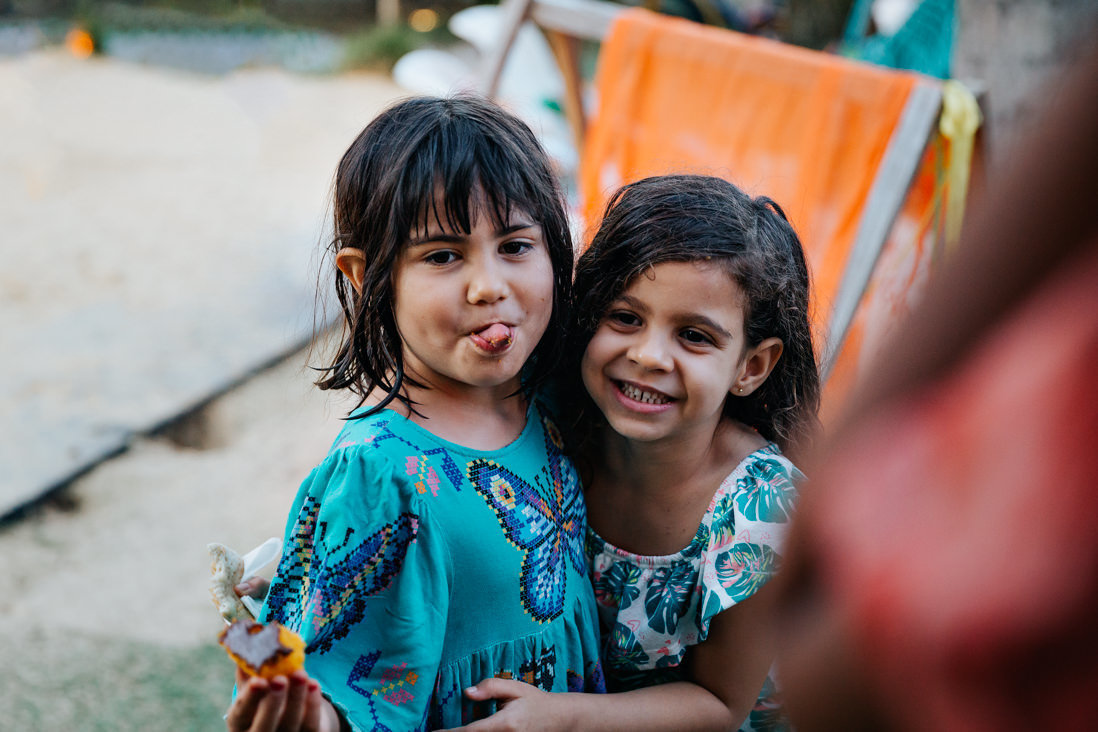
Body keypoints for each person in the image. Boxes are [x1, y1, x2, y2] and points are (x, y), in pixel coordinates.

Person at [224, 95, 605, 732]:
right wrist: (306, 716)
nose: (489, 285)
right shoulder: (380, 473)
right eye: (442, 256)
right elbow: (343, 696)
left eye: (515, 245)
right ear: (365, 275)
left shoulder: (552, 395)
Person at [456, 174, 821, 731]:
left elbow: (719, 704)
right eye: (625, 318)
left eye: (694, 336)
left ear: (751, 366)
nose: (649, 356)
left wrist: (560, 720)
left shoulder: (761, 511)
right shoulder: (553, 424)